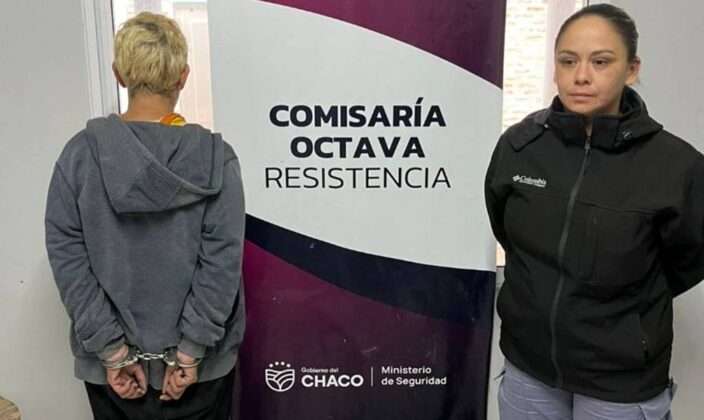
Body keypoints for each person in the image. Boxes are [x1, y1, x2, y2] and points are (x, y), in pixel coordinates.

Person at [485, 4, 704, 419]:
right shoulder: (520, 146)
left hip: (619, 381)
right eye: (568, 61)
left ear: (631, 69)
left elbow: (688, 260)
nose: (581, 76)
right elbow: (507, 230)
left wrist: (628, 317)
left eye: (601, 62)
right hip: (529, 366)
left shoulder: (676, 166)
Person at [44, 12, 245, 419]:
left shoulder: (79, 157)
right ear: (183, 77)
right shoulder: (215, 159)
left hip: (114, 374)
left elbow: (68, 261)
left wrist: (112, 352)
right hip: (201, 370)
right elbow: (221, 262)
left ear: (119, 74)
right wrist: (190, 353)